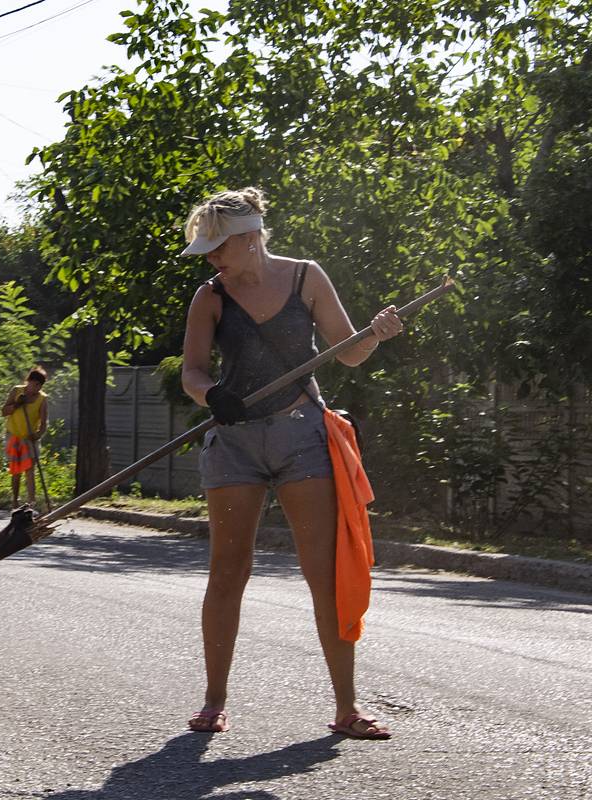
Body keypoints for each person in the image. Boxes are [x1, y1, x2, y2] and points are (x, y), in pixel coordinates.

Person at [179, 187, 403, 739]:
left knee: (322, 574)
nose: (211, 258)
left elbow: (347, 350)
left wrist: (374, 336)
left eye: (218, 247)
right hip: (234, 441)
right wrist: (213, 397)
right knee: (228, 571)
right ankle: (214, 700)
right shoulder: (210, 297)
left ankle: (346, 709)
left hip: (303, 435)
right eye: (206, 250)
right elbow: (193, 372)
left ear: (250, 237)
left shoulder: (306, 277)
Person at [1, 368, 48, 509]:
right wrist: (17, 404)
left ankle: (31, 503)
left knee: (29, 470)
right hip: (13, 435)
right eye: (35, 384)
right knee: (16, 471)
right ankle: (15, 501)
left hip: (29, 438)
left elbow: (44, 423)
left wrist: (38, 435)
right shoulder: (17, 391)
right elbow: (4, 412)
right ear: (28, 381)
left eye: (40, 385)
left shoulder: (42, 399)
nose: (37, 388)